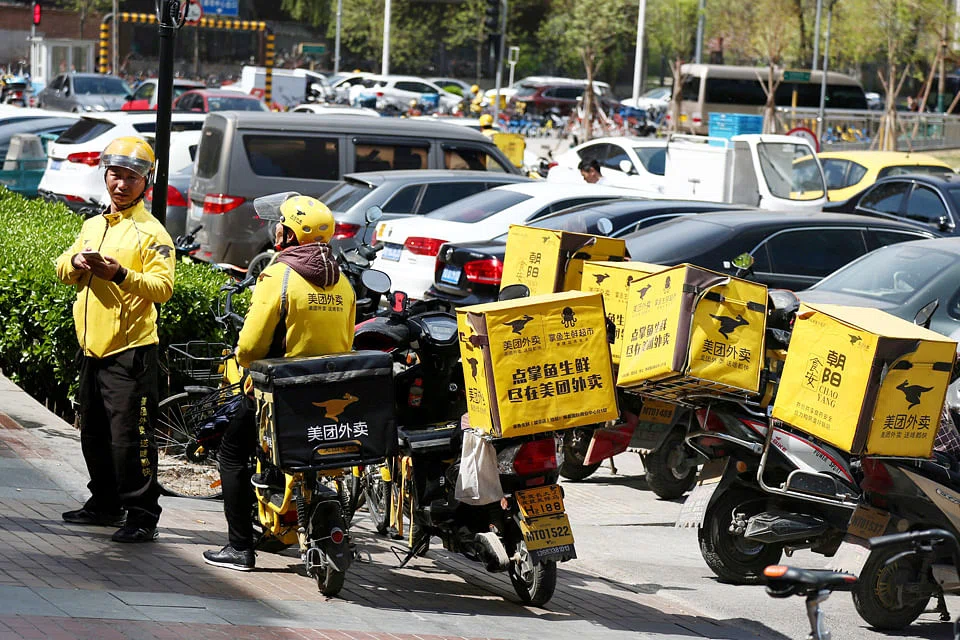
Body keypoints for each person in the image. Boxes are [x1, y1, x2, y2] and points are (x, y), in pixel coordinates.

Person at [203, 194, 357, 571]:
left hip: (278, 392)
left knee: (231, 454)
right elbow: (346, 343)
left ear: (288, 234)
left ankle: (240, 547)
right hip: (325, 392)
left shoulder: (280, 274)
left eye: (280, 224)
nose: (275, 228)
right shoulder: (343, 282)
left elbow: (251, 345)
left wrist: (244, 360)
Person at [55, 137, 175, 543]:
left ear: (146, 184)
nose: (121, 185)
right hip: (91, 347)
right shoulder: (93, 224)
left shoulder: (152, 232)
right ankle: (104, 504)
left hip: (131, 351)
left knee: (131, 439)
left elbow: (163, 288)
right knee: (93, 433)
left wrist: (120, 274)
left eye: (131, 178)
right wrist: (74, 263)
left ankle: (142, 515)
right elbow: (62, 266)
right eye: (115, 175)